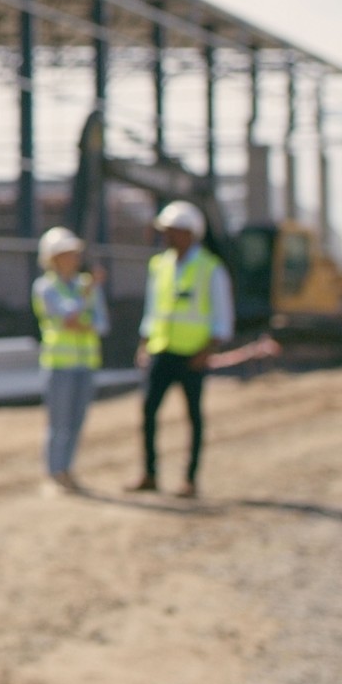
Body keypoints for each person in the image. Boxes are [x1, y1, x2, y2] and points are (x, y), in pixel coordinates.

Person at [130, 200, 233, 498]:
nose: (167, 236)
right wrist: (145, 343)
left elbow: (222, 316)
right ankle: (149, 473)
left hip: (193, 356)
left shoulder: (210, 269)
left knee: (194, 418)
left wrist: (207, 350)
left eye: (172, 231)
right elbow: (153, 310)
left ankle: (190, 479)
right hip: (162, 351)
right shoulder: (159, 266)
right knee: (148, 412)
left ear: (189, 233)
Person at [31, 226, 109, 494]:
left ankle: (67, 470)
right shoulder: (45, 288)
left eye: (74, 253)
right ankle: (54, 472)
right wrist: (85, 301)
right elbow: (69, 317)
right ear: (52, 258)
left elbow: (100, 323)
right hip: (58, 365)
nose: (73, 258)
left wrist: (81, 320)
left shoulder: (86, 286)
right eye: (66, 254)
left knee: (76, 422)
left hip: (86, 363)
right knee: (58, 424)